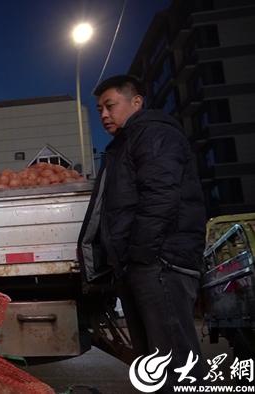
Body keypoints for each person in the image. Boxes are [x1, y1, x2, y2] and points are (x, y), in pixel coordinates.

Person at [77, 75, 207, 390]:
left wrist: (141, 254)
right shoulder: (128, 142)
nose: (104, 115)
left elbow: (161, 198)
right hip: (146, 264)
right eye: (99, 110)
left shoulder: (153, 135)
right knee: (155, 363)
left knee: (175, 360)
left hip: (161, 264)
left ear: (136, 101)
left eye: (110, 106)